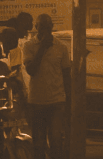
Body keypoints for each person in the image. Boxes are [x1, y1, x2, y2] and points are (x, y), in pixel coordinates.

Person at [21, 15, 68, 159]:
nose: (45, 31)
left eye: (48, 27)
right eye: (42, 27)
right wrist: (42, 48)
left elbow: (67, 75)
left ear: (52, 27)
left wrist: (69, 100)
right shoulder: (28, 46)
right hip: (37, 102)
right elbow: (31, 70)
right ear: (36, 28)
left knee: (56, 140)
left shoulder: (61, 47)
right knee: (39, 143)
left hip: (56, 101)